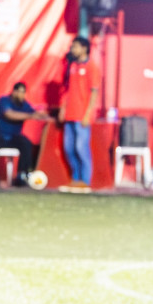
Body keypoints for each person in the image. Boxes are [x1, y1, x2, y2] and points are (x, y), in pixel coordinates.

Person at [60, 35, 101, 192]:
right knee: (68, 148)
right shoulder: (72, 66)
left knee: (81, 148)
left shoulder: (92, 67)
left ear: (84, 48)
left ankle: (85, 181)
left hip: (82, 116)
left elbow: (94, 93)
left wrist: (88, 114)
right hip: (70, 114)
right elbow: (68, 91)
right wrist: (63, 108)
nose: (72, 49)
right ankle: (75, 180)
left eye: (75, 46)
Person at [0, 81, 37, 188]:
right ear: (14, 92)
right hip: (0, 135)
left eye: (24, 92)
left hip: (14, 137)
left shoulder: (25, 105)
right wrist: (30, 115)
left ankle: (21, 175)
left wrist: (47, 114)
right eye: (19, 92)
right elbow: (9, 114)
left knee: (26, 143)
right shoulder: (4, 101)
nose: (21, 95)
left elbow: (37, 113)